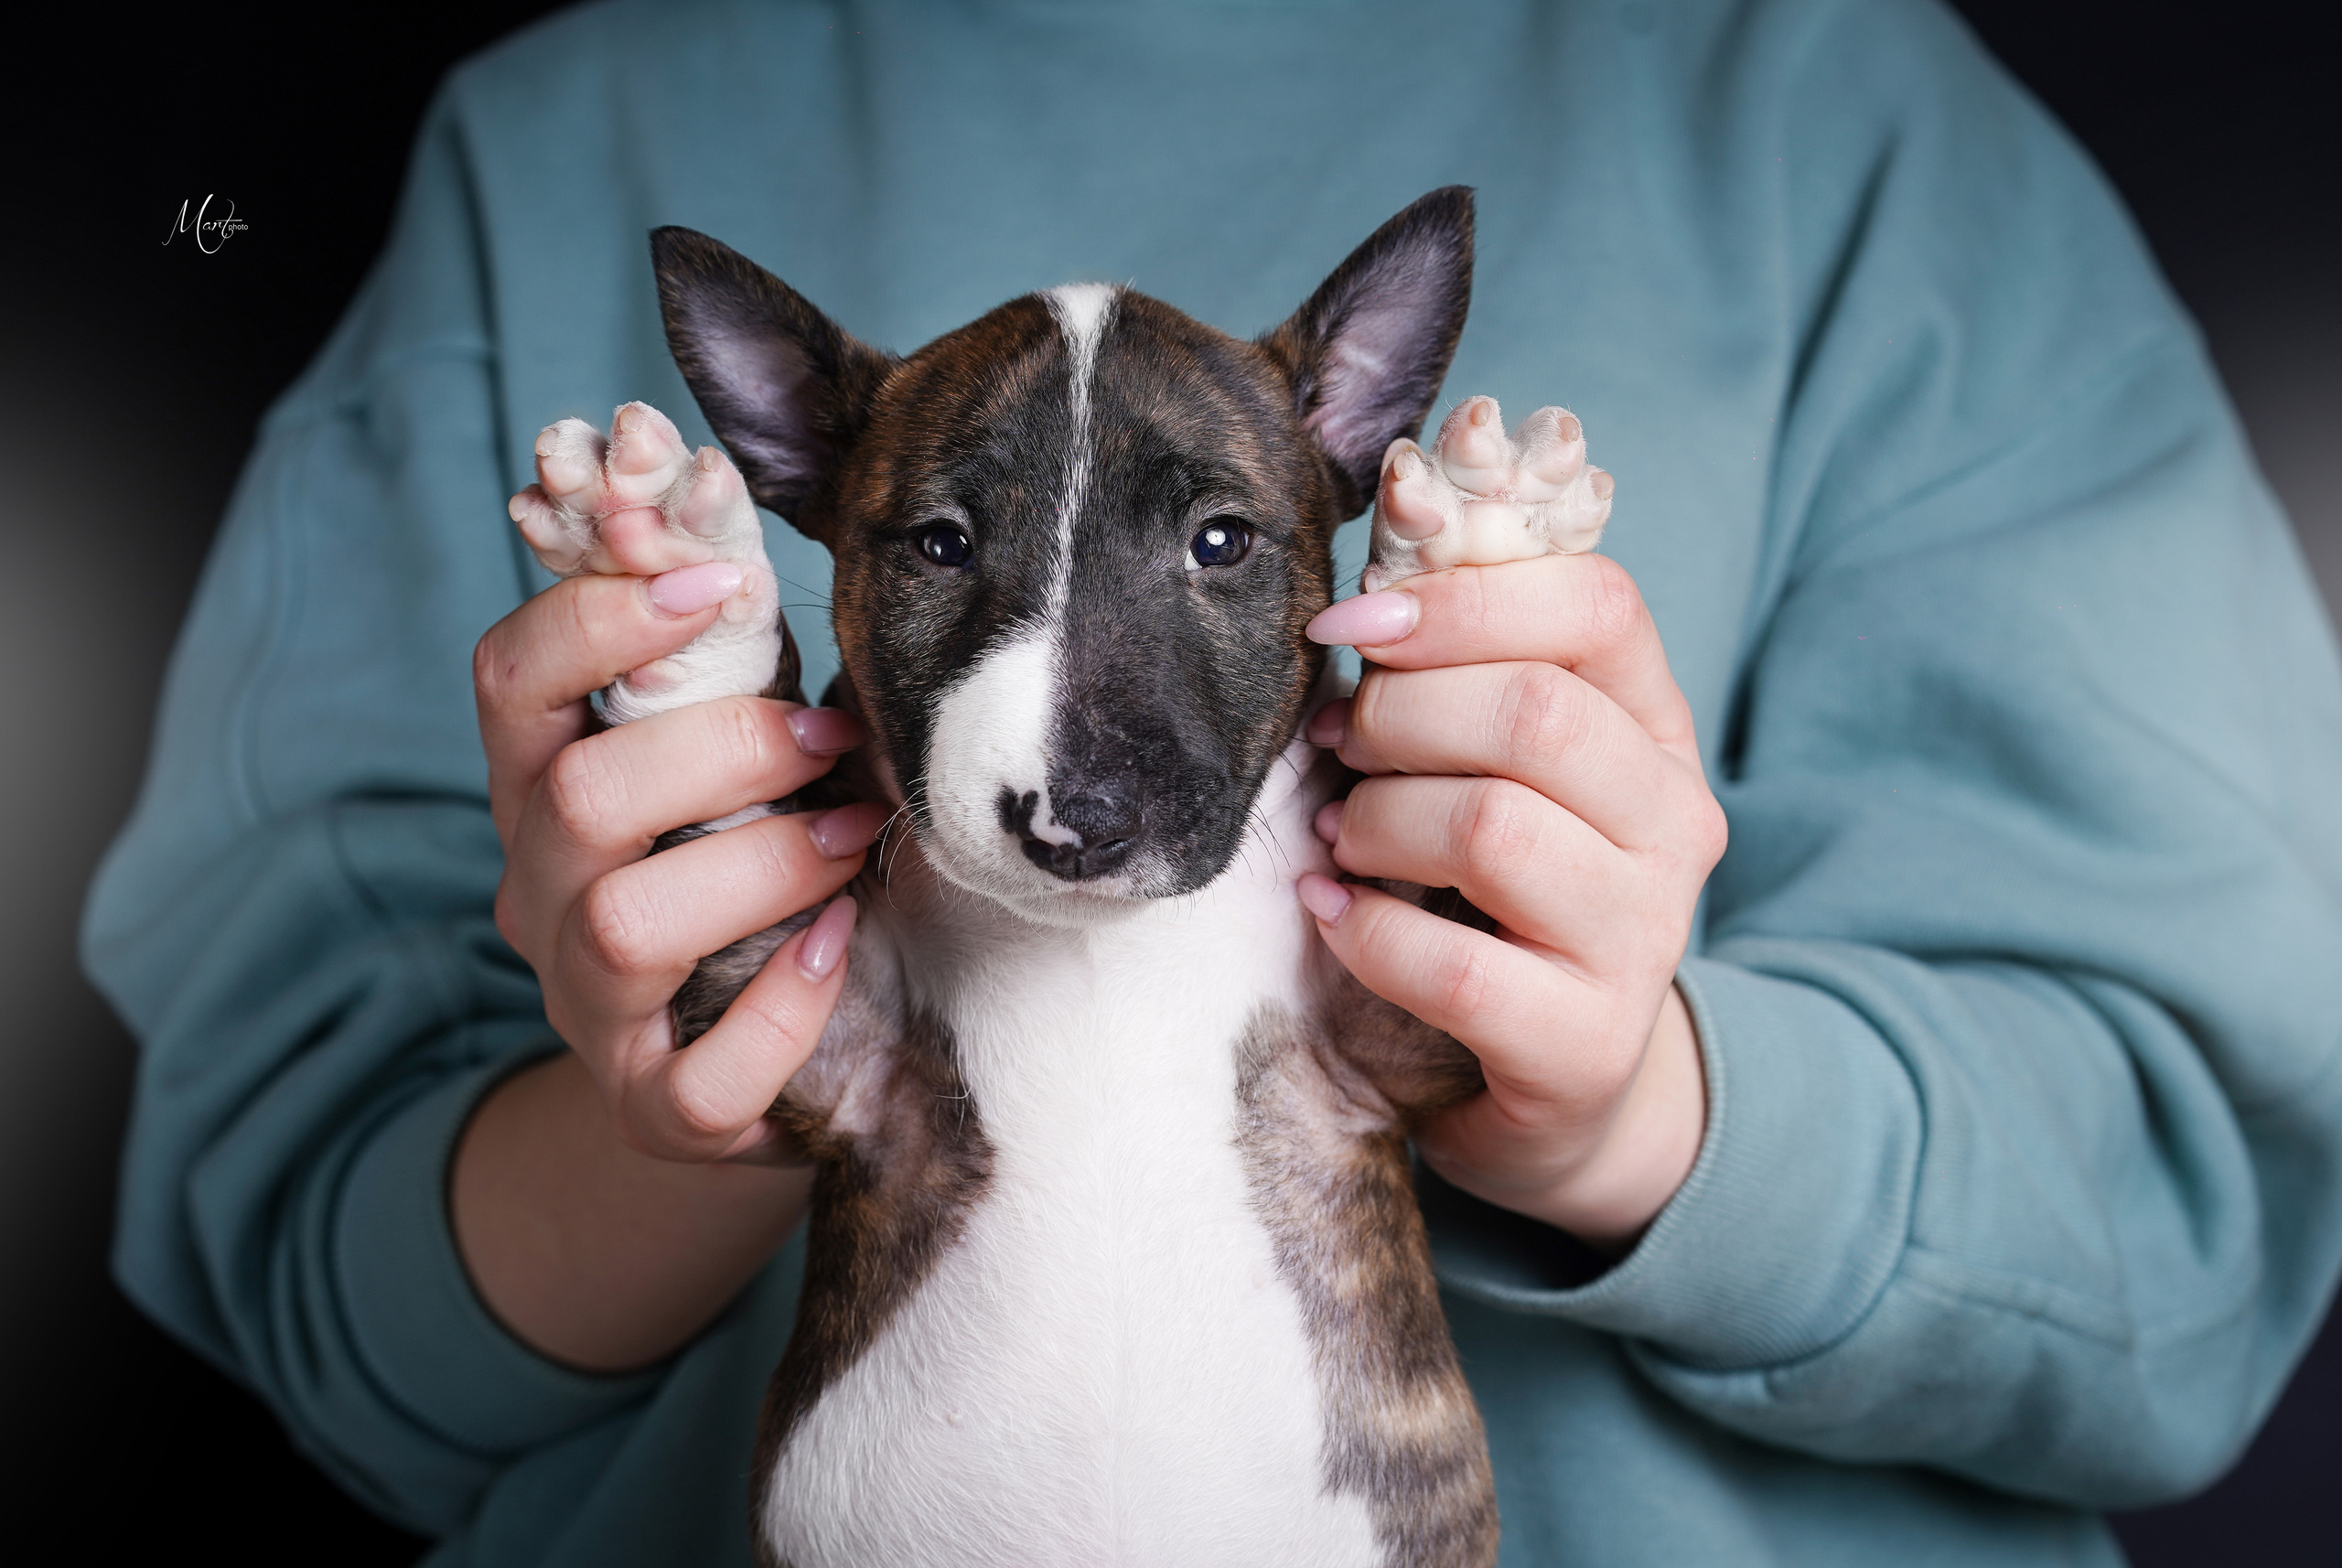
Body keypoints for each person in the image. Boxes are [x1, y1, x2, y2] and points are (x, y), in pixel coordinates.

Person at [84, 0, 2342, 1563]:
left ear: (1348, 471)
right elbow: (296, 1269)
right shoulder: (549, 128)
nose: (1078, 746)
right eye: (940, 540)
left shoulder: (1848, 122)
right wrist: (692, 1056)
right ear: (805, 473)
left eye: (1228, 541)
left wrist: (1614, 1098)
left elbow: (2198, 1209)